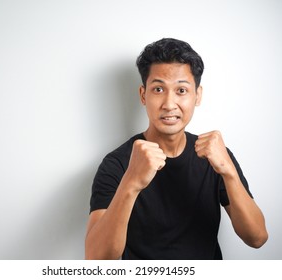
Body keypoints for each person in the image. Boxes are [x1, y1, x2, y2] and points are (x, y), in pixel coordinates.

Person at [85, 38, 268, 260]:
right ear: (143, 95)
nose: (169, 104)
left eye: (181, 90)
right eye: (158, 89)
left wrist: (228, 172)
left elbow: (257, 238)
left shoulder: (216, 156)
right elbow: (96, 260)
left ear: (197, 95)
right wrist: (131, 183)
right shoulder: (117, 163)